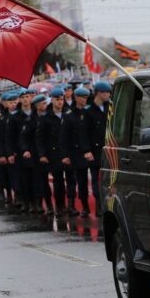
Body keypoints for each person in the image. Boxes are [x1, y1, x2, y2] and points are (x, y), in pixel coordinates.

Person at [60, 86, 93, 216]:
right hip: (73, 153)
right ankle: (72, 206)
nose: (84, 100)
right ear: (76, 98)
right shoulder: (69, 115)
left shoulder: (89, 113)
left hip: (86, 152)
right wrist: (64, 155)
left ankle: (85, 206)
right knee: (73, 181)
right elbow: (63, 137)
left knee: (84, 181)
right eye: (82, 97)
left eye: (86, 97)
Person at [37, 87, 68, 216]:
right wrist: (42, 154)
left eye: (61, 99)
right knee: (58, 181)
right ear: (52, 100)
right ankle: (59, 206)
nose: (60, 102)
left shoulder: (68, 114)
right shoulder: (46, 118)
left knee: (71, 180)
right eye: (57, 99)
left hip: (68, 152)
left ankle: (68, 206)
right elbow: (40, 138)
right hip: (54, 154)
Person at [86, 81, 112, 209]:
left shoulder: (110, 108)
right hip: (94, 151)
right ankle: (98, 204)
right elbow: (83, 133)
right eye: (106, 92)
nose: (108, 94)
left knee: (108, 179)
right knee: (97, 179)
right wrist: (87, 150)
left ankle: (107, 203)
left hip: (108, 149)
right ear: (99, 93)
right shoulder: (88, 111)